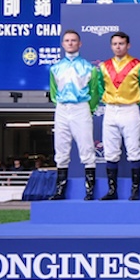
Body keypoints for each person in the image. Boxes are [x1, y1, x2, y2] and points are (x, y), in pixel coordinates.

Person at [49, 30, 101, 200]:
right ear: (63, 44)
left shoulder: (89, 67)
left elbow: (94, 92)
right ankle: (59, 190)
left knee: (86, 147)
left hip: (81, 107)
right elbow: (54, 92)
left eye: (73, 40)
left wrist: (89, 109)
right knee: (61, 148)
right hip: (63, 108)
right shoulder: (55, 68)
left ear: (80, 44)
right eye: (67, 40)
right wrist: (61, 104)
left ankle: (89, 189)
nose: (70, 43)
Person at [98, 32, 140, 200]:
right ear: (111, 46)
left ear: (128, 45)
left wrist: (134, 102)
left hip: (130, 109)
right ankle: (112, 190)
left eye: (121, 43)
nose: (118, 47)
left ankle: (136, 190)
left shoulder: (138, 65)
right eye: (115, 44)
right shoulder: (104, 66)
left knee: (134, 150)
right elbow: (99, 87)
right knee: (111, 152)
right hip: (111, 109)